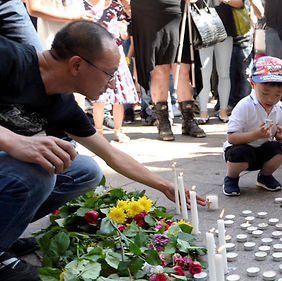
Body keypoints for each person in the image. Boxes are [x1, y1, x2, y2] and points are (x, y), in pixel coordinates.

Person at [0, 21, 204, 280]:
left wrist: (164, 185)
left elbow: (111, 154)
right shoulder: (9, 58)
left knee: (86, 171)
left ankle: (4, 234)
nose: (112, 84)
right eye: (109, 73)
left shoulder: (60, 101)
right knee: (39, 172)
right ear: (76, 65)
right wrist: (12, 141)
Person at [131, 0, 206, 141]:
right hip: (148, 11)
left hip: (178, 9)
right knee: (159, 68)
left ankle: (189, 120)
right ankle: (163, 121)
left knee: (183, 68)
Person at [222, 56, 282, 196]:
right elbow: (231, 138)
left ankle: (265, 177)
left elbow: (278, 138)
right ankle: (231, 178)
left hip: (262, 150)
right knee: (239, 153)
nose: (271, 99)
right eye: (265, 93)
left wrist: (281, 136)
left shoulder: (281, 108)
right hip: (240, 150)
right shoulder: (244, 106)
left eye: (277, 95)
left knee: (280, 150)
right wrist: (256, 134)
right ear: (253, 84)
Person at [84, 0, 138, 142]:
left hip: (116, 55)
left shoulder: (115, 6)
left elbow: (125, 34)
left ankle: (118, 131)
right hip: (94, 55)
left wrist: (123, 29)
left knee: (118, 97)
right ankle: (99, 133)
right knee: (98, 98)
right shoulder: (82, 6)